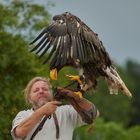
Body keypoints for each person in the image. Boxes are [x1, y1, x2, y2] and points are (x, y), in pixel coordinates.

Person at [11, 76, 99, 140]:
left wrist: (77, 100)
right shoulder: (23, 115)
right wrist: (42, 111)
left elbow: (94, 114)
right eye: (36, 90)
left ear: (51, 93)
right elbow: (19, 132)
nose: (41, 91)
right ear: (29, 98)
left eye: (45, 89)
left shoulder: (66, 111)